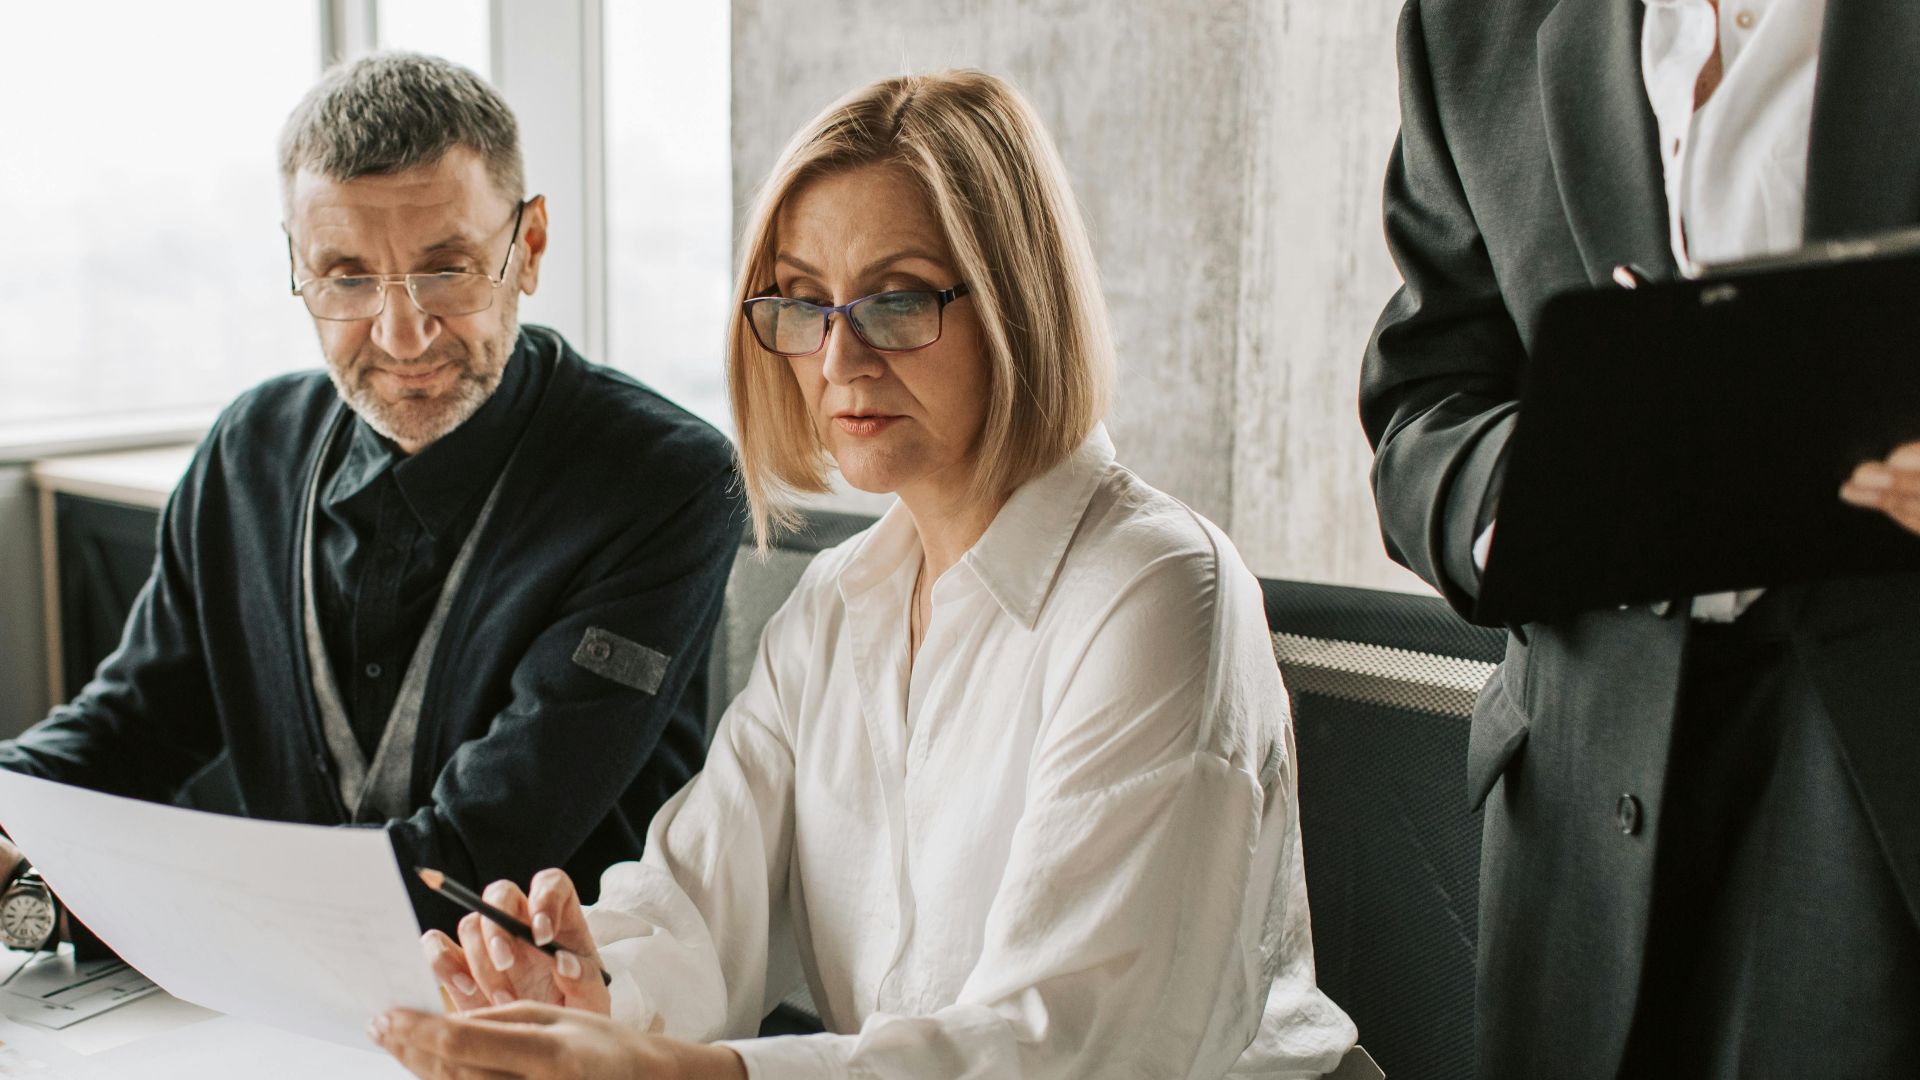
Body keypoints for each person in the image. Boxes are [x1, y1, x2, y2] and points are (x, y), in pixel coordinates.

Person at [371, 70, 1359, 1079]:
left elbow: (1071, 1040)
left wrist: (685, 1072)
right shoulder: (835, 608)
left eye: (895, 300)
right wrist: (590, 991)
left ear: (1018, 301)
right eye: (802, 302)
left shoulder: (1152, 590)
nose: (838, 359)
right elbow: (697, 902)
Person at [0, 52, 740, 934]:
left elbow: (472, 859)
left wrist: (49, 906)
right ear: (299, 267)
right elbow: (133, 728)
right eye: (347, 276)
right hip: (273, 998)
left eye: (448, 268)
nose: (401, 333)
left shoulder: (665, 480)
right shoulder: (249, 450)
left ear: (528, 246)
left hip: (545, 1020)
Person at [1362, 0, 1920, 1076]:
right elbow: (1425, 391)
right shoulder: (1470, 25)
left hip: (1879, 791)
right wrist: (1511, 500)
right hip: (1577, 805)